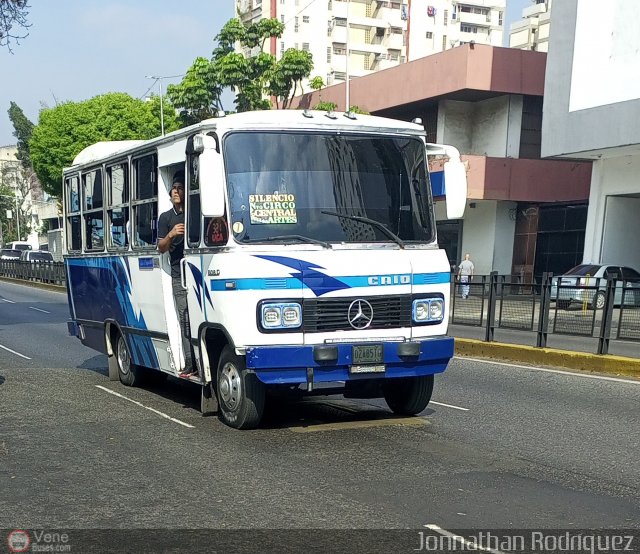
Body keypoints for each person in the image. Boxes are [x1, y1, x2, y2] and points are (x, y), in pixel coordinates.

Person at [157, 171, 197, 379]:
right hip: (177, 274)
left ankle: (200, 362)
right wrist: (171, 234)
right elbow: (160, 248)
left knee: (198, 320)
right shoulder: (166, 217)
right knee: (185, 320)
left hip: (197, 275)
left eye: (180, 188)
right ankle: (190, 364)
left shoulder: (194, 213)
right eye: (174, 188)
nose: (176, 191)